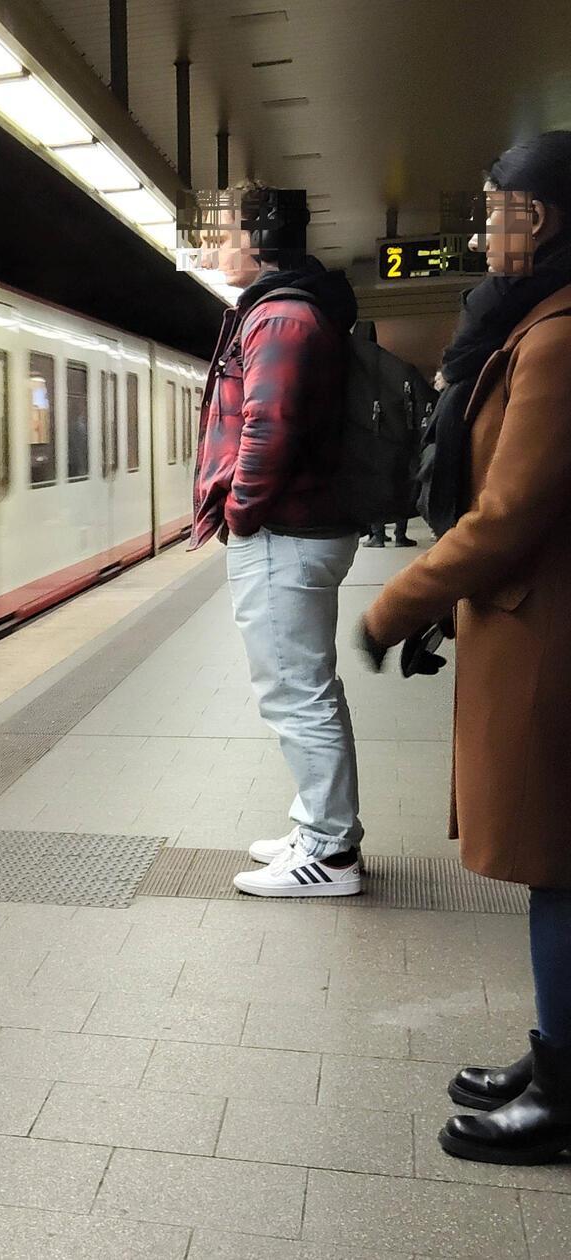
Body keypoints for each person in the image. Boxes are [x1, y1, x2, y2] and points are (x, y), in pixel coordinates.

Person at [360, 130, 571, 1165]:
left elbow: (509, 512)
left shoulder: (560, 336)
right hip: (534, 626)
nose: (484, 229)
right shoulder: (532, 322)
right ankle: (556, 1058)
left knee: (557, 866)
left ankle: (565, 1093)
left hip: (551, 644)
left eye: (497, 210)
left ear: (540, 220)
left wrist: (397, 601)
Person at [186, 183, 369, 896]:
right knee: (304, 687)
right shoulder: (291, 310)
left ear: (262, 237)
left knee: (295, 692)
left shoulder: (283, 319)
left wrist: (241, 512)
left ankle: (329, 851)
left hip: (284, 529)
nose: (213, 246)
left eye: (224, 231)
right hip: (296, 525)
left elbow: (269, 427)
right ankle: (319, 825)